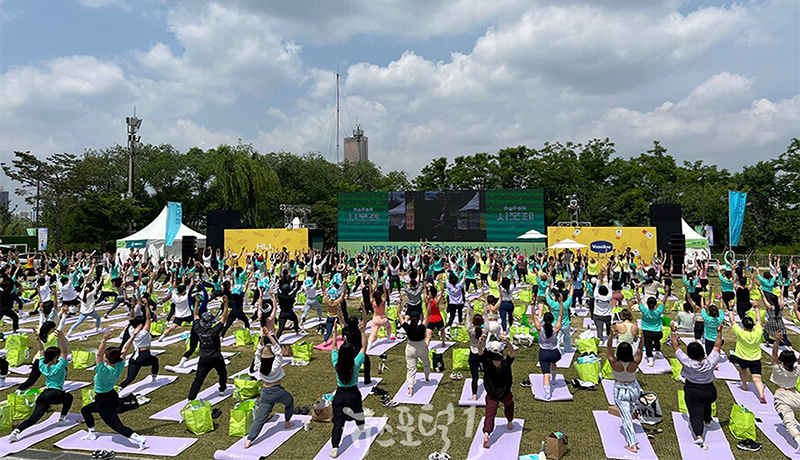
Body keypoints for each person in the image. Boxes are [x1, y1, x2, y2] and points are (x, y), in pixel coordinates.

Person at [79, 331, 146, 450]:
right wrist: (133, 337)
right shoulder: (120, 365)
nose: (103, 355)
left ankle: (138, 439)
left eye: (105, 354)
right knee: (86, 410)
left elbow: (98, 356)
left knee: (116, 425)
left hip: (103, 399)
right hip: (112, 395)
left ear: (107, 358)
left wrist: (104, 340)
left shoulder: (103, 371)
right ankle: (92, 433)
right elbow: (125, 349)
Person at [8, 330, 72, 442]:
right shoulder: (59, 367)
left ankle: (16, 431)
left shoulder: (42, 365)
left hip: (44, 395)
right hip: (55, 393)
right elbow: (65, 352)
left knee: (34, 418)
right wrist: (62, 338)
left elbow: (41, 350)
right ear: (55, 357)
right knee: (69, 397)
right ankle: (62, 419)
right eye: (57, 356)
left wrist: (38, 338)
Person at [669, 322, 723, 447]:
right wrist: (719, 332)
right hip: (709, 390)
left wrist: (673, 331)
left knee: (695, 413)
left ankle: (698, 435)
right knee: (706, 403)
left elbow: (675, 347)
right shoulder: (710, 362)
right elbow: (717, 346)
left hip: (692, 390)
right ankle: (708, 420)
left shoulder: (687, 362)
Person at [244, 327, 295, 449]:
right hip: (278, 391)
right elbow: (278, 350)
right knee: (290, 401)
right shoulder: (275, 365)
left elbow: (257, 351)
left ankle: (249, 440)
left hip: (265, 393)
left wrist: (262, 337)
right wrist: (270, 336)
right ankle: (287, 422)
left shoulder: (259, 365)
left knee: (260, 419)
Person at [328, 312, 369, 459]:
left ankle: (335, 447)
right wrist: (363, 332)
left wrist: (334, 332)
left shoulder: (336, 363)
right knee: (358, 411)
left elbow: (333, 346)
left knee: (338, 423)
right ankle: (361, 427)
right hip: (352, 394)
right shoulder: (356, 363)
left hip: (339, 395)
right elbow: (364, 347)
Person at [606, 328, 645, 454]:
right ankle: (631, 436)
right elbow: (639, 349)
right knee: (628, 411)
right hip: (633, 390)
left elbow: (609, 349)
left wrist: (611, 337)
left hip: (620, 390)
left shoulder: (614, 362)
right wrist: (642, 338)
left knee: (626, 418)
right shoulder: (634, 363)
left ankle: (632, 443)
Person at [187, 295, 229, 400]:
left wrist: (196, 302)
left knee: (198, 379)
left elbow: (195, 314)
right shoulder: (214, 331)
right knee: (222, 373)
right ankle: (222, 389)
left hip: (204, 358)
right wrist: (226, 304)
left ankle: (191, 398)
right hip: (215, 357)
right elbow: (224, 318)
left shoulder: (198, 329)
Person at [477, 334, 515, 449]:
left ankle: (486, 434)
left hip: (492, 395)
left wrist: (481, 341)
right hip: (505, 393)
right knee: (509, 405)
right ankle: (509, 422)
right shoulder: (505, 364)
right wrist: (507, 341)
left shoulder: (487, 363)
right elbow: (512, 351)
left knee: (490, 414)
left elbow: (479, 351)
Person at [727, 304, 766, 403]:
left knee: (742, 370)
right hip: (755, 359)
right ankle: (761, 394)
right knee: (757, 378)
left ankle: (744, 385)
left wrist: (730, 309)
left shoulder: (741, 333)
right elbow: (758, 321)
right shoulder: (758, 332)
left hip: (743, 358)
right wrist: (757, 308)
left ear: (743, 325)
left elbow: (732, 321)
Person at [771, 330, 800, 454]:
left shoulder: (778, 369)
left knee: (789, 422)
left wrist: (777, 340)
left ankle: (798, 441)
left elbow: (774, 354)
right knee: (789, 420)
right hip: (796, 396)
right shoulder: (797, 369)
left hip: (782, 396)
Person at [118, 303, 158, 389]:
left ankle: (118, 389)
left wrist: (132, 308)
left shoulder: (131, 330)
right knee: (155, 360)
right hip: (144, 355)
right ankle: (154, 379)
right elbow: (148, 318)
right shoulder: (144, 332)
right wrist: (147, 306)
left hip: (134, 357)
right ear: (141, 325)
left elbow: (132, 318)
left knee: (129, 379)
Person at [531, 303, 563, 400]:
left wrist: (532, 305)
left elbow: (534, 316)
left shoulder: (540, 328)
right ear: (552, 320)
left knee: (546, 374)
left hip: (544, 354)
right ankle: (553, 380)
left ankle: (548, 394)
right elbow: (561, 316)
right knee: (553, 363)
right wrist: (561, 304)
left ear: (544, 320)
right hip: (555, 354)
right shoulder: (556, 328)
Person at [399, 299, 431, 396]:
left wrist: (399, 304)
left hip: (410, 348)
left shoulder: (407, 327)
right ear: (418, 318)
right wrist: (428, 303)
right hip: (421, 347)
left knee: (411, 369)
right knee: (426, 363)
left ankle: (410, 389)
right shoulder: (421, 327)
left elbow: (399, 315)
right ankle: (426, 377)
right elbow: (428, 313)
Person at [19, 321, 61, 391]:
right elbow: (61, 325)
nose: (55, 329)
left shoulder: (40, 335)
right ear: (50, 329)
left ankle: (19, 390)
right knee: (61, 371)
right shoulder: (53, 336)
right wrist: (64, 314)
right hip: (49, 359)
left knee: (31, 380)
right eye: (53, 328)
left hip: (39, 359)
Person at [638, 289, 668, 366]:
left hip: (647, 332)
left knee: (648, 346)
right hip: (658, 332)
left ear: (647, 304)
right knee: (657, 341)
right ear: (655, 304)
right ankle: (657, 352)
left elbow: (639, 300)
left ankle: (650, 360)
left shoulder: (644, 311)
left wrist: (637, 292)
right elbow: (664, 301)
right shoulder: (658, 311)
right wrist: (667, 293)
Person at [158, 277, 194, 341]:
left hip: (178, 315)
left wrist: (174, 277)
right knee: (197, 321)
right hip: (187, 314)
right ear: (184, 291)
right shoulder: (186, 297)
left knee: (172, 327)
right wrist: (192, 278)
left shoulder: (174, 296)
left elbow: (173, 287)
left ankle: (162, 337)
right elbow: (191, 286)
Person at [465, 301, 484, 400]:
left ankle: (474, 395)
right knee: (488, 374)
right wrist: (484, 306)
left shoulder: (470, 330)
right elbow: (487, 318)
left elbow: (467, 318)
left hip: (473, 354)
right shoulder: (485, 331)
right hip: (483, 353)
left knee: (475, 377)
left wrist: (468, 307)